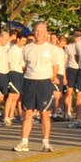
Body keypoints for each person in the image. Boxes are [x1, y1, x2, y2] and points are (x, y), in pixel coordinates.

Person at [16, 21, 66, 153]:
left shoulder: (52, 49)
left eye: (42, 31)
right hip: (29, 82)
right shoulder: (27, 48)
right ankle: (24, 141)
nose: (39, 33)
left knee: (45, 114)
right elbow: (23, 66)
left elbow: (56, 67)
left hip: (44, 83)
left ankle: (45, 142)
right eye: (37, 31)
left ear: (46, 33)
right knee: (28, 113)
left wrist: (50, 77)